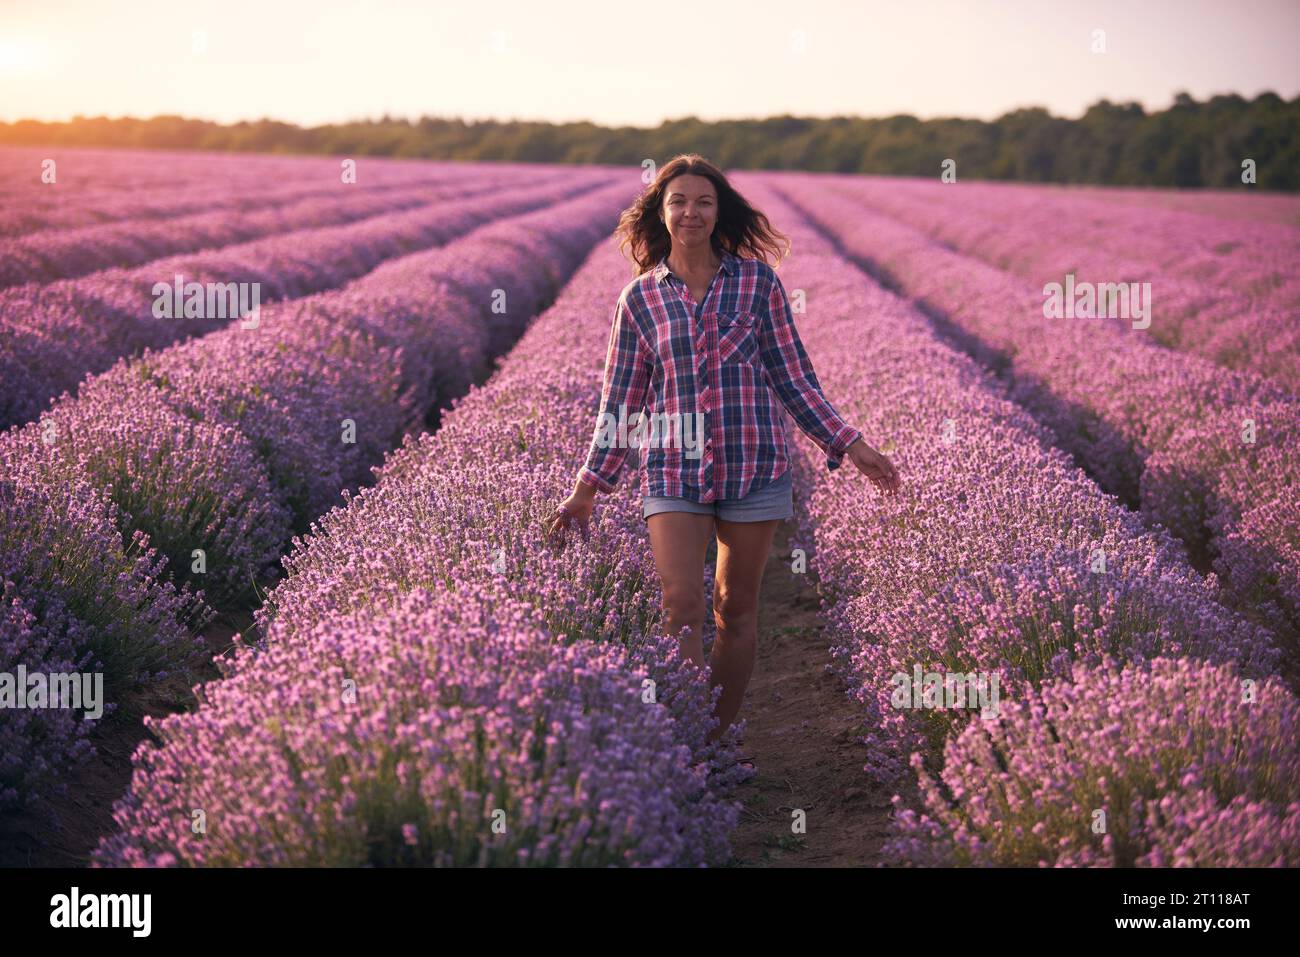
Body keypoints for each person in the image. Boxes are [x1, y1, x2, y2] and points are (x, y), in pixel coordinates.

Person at [547, 154, 900, 743]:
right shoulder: (638, 300)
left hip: (754, 465)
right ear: (662, 213)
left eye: (704, 202)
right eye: (679, 201)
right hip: (671, 469)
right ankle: (683, 732)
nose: (691, 212)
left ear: (719, 211)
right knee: (679, 603)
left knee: (734, 609)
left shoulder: (758, 284)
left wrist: (851, 443)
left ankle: (715, 738)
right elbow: (621, 403)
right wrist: (587, 489)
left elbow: (794, 379)